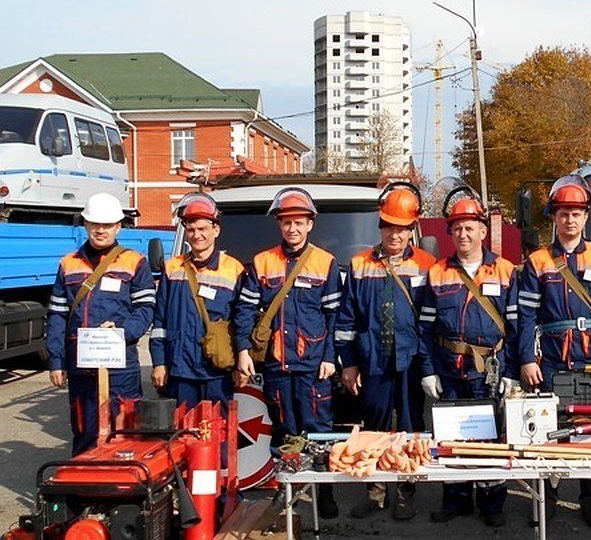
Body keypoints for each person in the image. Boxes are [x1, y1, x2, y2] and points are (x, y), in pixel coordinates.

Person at [515, 175, 591, 529]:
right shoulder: (537, 262)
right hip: (551, 360)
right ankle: (548, 498)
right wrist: (526, 358)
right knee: (550, 430)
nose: (570, 220)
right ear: (554, 217)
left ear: (586, 216)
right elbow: (526, 315)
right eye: (563, 213)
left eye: (576, 213)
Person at [234, 187, 340, 519]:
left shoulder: (326, 263)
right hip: (276, 365)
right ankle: (287, 494)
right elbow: (245, 310)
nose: (292, 229)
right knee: (283, 431)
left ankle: (324, 494)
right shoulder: (262, 262)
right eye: (286, 223)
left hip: (312, 366)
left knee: (318, 433)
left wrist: (329, 357)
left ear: (310, 224)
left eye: (298, 222)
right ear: (279, 225)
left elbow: (336, 316)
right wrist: (242, 349)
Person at [335, 182, 436, 521]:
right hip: (373, 360)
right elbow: (346, 317)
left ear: (412, 231)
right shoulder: (359, 264)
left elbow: (430, 320)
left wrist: (428, 367)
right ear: (380, 227)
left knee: (410, 427)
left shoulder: (426, 264)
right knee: (373, 428)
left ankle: (406, 492)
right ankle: (376, 492)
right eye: (389, 226)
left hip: (409, 361)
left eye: (402, 228)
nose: (395, 234)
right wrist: (348, 364)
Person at [419, 188, 518, 528]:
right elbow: (425, 329)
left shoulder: (505, 271)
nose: (463, 234)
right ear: (450, 233)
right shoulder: (437, 272)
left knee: (490, 436)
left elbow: (517, 326)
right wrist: (428, 370)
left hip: (488, 370)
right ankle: (456, 499)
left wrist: (513, 372)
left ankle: (492, 502)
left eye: (470, 227)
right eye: (457, 228)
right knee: (449, 438)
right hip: (448, 369)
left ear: (482, 230)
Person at [46, 193, 155, 456]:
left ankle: (122, 489)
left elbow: (146, 308)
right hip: (80, 364)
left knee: (124, 426)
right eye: (95, 224)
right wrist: (57, 362)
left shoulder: (135, 262)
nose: (100, 230)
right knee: (84, 427)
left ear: (118, 226)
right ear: (85, 224)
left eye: (107, 225)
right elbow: (58, 315)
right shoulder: (68, 263)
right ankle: (84, 487)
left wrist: (122, 332)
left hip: (120, 364)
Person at [150, 193, 244, 410]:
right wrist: (159, 362)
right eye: (191, 230)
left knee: (217, 432)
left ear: (216, 230)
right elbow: (159, 322)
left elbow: (242, 321)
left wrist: (240, 362)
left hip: (217, 371)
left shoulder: (234, 269)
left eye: (202, 229)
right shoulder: (172, 268)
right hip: (180, 370)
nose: (196, 235)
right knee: (183, 434)